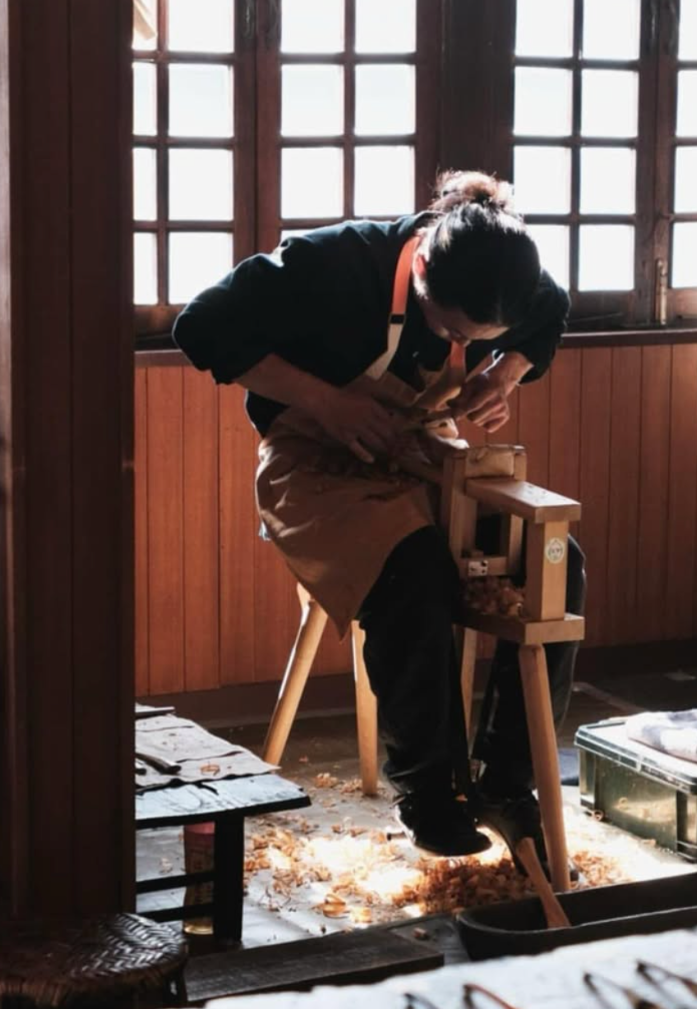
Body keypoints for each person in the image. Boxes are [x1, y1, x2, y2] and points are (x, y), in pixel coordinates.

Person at [173, 171, 585, 867]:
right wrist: (327, 402)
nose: (459, 343)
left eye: (476, 338)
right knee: (414, 567)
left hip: (423, 452)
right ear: (421, 264)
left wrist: (503, 374)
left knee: (552, 561)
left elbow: (551, 313)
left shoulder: (509, 275)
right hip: (313, 464)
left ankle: (506, 781)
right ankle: (428, 790)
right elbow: (202, 325)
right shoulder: (329, 265)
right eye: (451, 329)